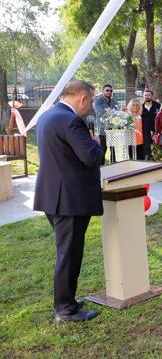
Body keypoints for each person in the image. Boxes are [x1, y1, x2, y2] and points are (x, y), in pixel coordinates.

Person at [34, 80, 102, 323]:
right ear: (83, 98)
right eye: (91, 101)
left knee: (68, 252)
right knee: (69, 254)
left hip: (54, 196)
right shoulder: (71, 120)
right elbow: (89, 156)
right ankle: (64, 309)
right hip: (70, 200)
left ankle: (68, 300)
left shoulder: (48, 116)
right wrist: (96, 143)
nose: (91, 106)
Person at [92, 83, 119, 164]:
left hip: (113, 130)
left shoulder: (114, 102)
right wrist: (113, 113)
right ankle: (100, 170)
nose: (109, 92)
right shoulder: (97, 101)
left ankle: (114, 170)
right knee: (102, 152)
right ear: (102, 91)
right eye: (107, 90)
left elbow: (118, 113)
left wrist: (112, 113)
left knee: (113, 152)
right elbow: (101, 113)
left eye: (111, 91)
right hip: (103, 131)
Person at [141, 89, 160, 159]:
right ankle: (148, 157)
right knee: (147, 148)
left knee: (158, 148)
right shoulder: (140, 107)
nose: (147, 96)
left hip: (156, 130)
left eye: (148, 95)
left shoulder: (158, 106)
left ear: (152, 96)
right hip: (145, 131)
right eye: (145, 95)